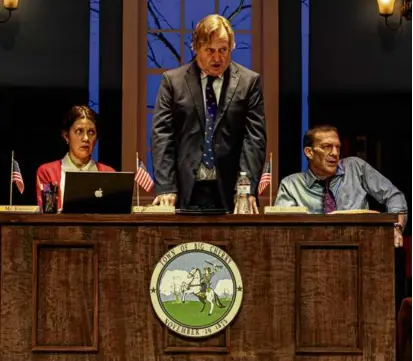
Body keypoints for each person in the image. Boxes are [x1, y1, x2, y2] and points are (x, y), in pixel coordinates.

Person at [151, 14, 266, 213]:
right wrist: (166, 186)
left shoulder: (249, 82)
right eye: (210, 50)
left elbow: (254, 140)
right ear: (196, 48)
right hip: (184, 188)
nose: (217, 58)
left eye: (223, 50)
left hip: (231, 190)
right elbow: (162, 136)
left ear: (231, 48)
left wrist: (245, 188)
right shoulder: (173, 82)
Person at [274, 125, 408, 247]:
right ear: (309, 152)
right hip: (312, 256)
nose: (334, 153)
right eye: (327, 147)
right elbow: (283, 233)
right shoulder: (291, 185)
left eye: (337, 147)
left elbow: (394, 196)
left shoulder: (355, 168)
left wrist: (396, 228)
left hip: (361, 250)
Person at [36, 105, 115, 211]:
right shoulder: (47, 172)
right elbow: (47, 213)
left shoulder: (109, 173)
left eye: (91, 132)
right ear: (66, 136)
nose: (86, 138)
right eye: (79, 131)